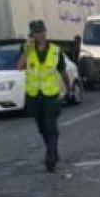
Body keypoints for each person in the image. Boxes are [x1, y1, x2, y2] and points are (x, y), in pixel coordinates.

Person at [16, 20, 72, 172]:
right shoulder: (26, 49)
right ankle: (52, 150)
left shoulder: (55, 50)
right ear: (31, 34)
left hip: (50, 96)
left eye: (41, 32)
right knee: (42, 127)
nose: (39, 35)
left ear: (45, 32)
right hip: (34, 96)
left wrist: (68, 88)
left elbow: (62, 70)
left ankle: (51, 157)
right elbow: (19, 67)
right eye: (36, 32)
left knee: (51, 126)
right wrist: (27, 49)